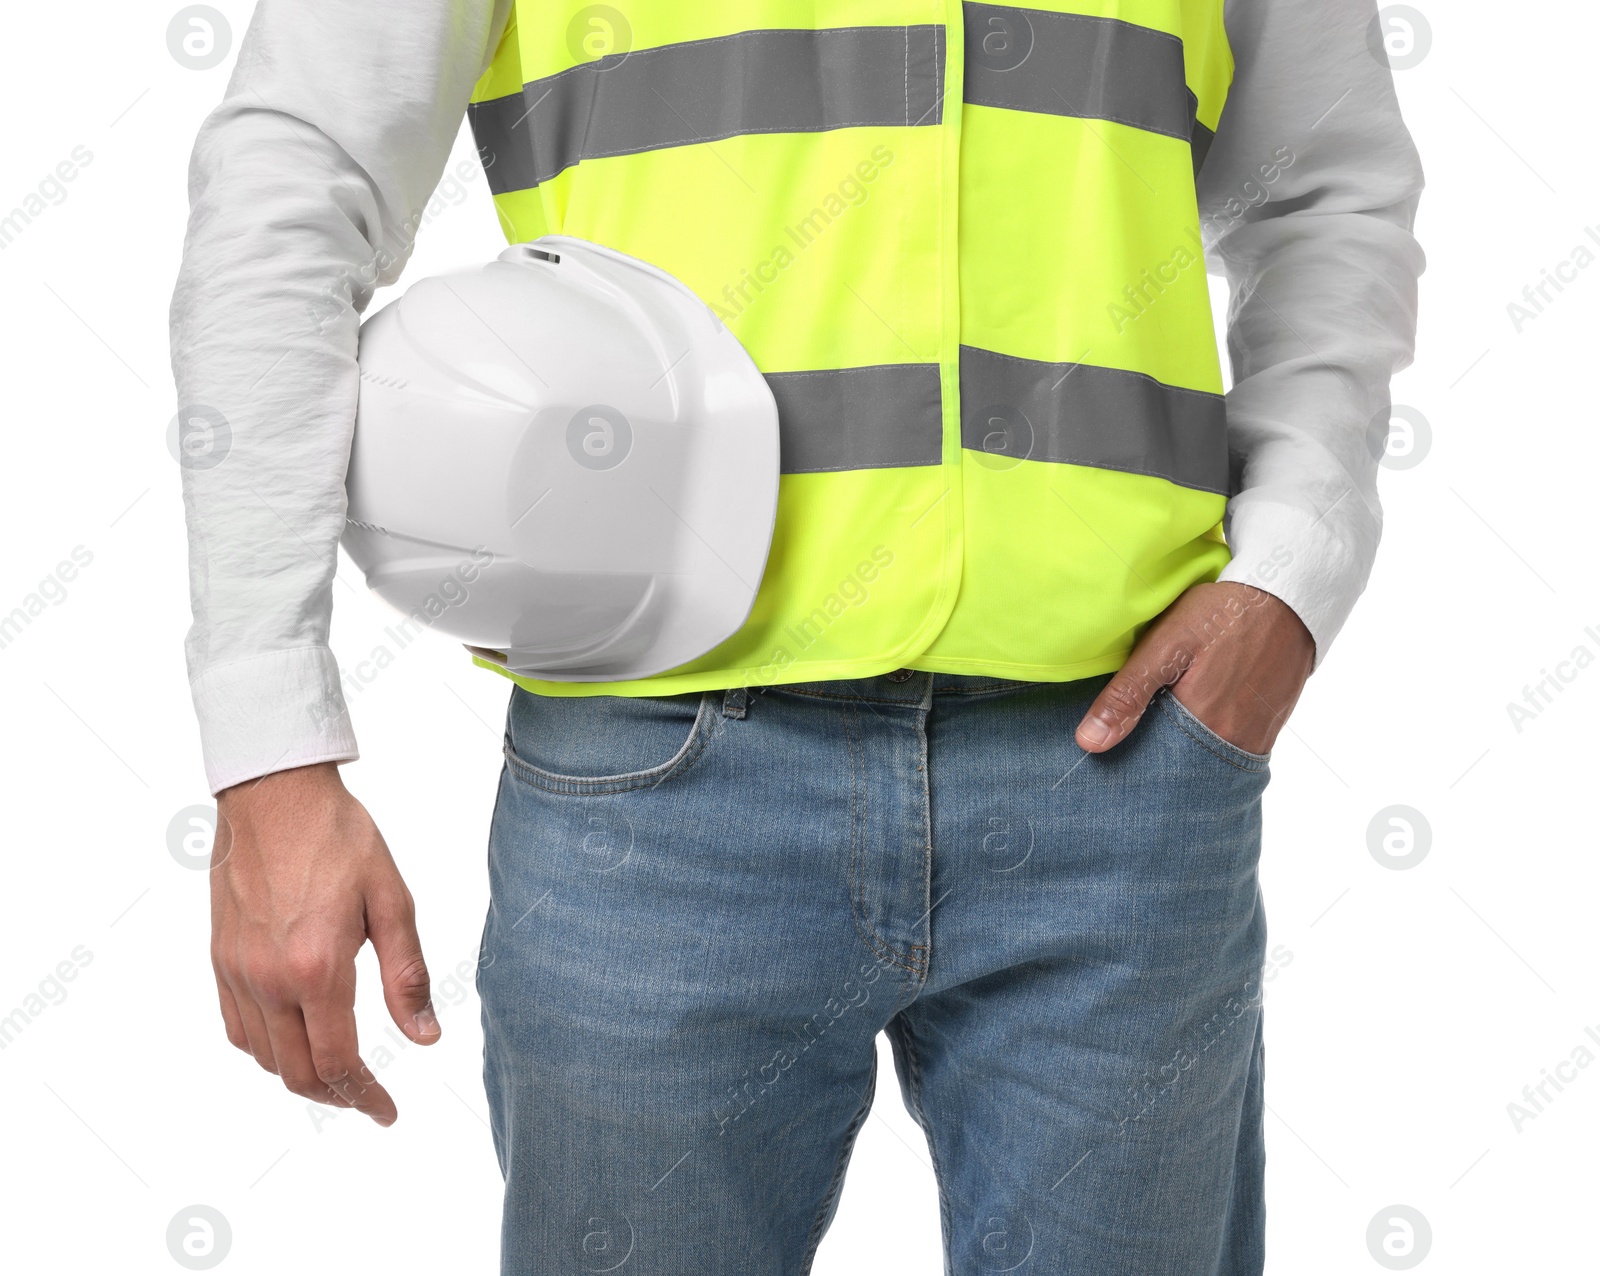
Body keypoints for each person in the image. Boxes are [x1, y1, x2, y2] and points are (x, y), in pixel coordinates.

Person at [172, 2, 1423, 1271]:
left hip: (1123, 762)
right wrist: (269, 741)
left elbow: (1322, 187)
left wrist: (1291, 569)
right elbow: (294, 175)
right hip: (655, 782)